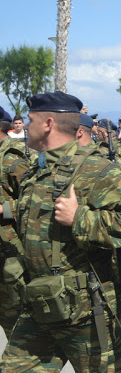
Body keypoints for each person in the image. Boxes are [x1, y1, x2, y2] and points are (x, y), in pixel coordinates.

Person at [0, 91, 121, 371]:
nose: (24, 126)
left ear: (48, 123)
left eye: (30, 120)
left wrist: (80, 218)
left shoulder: (94, 168)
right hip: (38, 302)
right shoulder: (38, 168)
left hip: (84, 309)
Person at [0, 107, 31, 339]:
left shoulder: (12, 157)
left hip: (10, 248)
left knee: (15, 314)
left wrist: (5, 209)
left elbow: (37, 200)